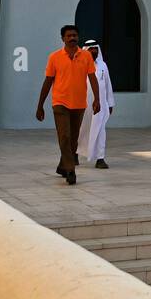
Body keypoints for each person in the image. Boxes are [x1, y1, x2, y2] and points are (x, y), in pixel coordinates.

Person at [36, 24, 100, 185]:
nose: (72, 38)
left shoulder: (86, 56)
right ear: (63, 38)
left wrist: (97, 99)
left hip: (79, 104)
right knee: (64, 136)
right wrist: (40, 105)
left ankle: (62, 166)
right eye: (69, 35)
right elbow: (48, 81)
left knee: (73, 140)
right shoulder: (54, 57)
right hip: (60, 102)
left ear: (78, 37)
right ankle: (71, 170)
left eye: (74, 35)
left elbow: (93, 78)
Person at [77, 39, 115, 169]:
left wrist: (110, 103)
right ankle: (75, 153)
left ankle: (100, 158)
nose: (94, 51)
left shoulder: (103, 65)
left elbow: (107, 84)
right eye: (91, 49)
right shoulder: (79, 64)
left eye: (95, 49)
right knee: (82, 130)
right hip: (83, 105)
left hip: (100, 105)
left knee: (100, 130)